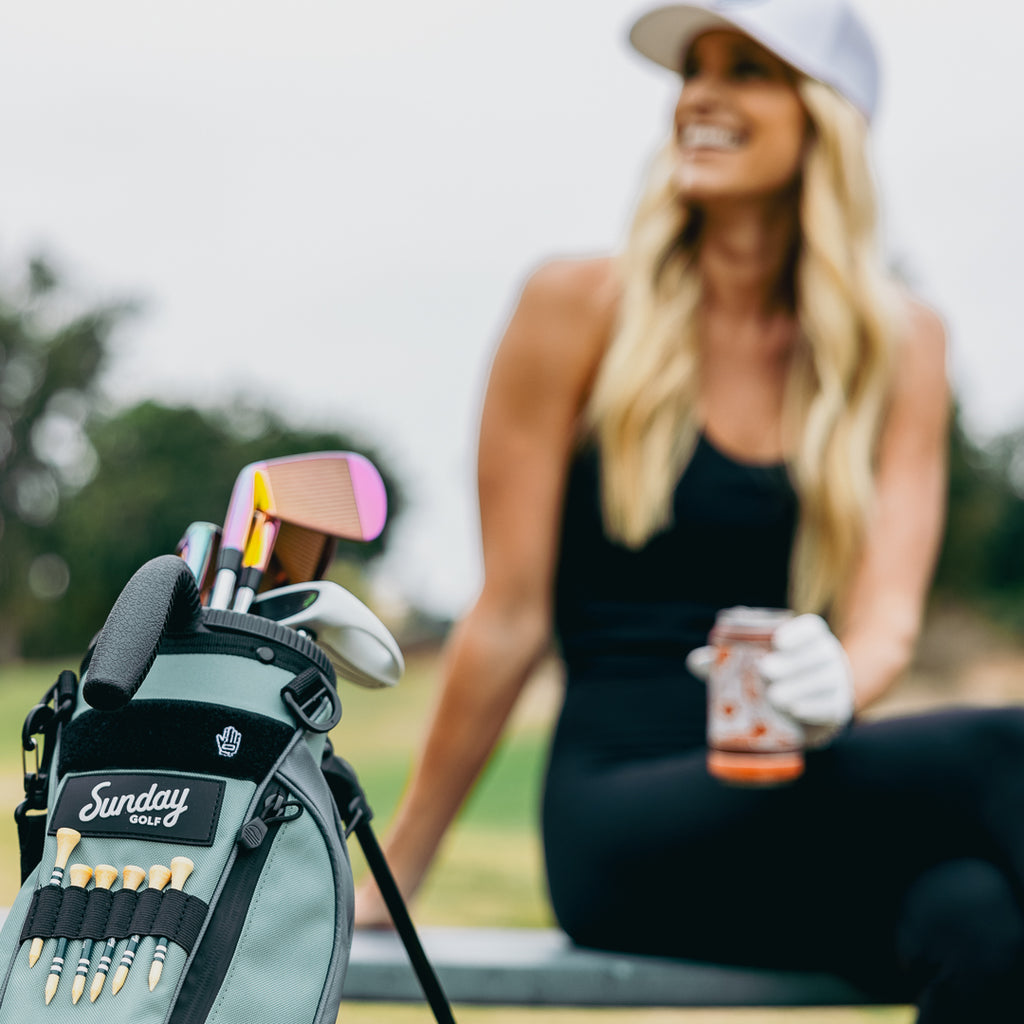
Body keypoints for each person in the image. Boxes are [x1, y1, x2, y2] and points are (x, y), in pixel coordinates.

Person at [356, 0, 1024, 1018]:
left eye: (747, 69)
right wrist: (399, 864)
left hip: (794, 799)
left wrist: (842, 676)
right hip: (621, 813)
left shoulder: (902, 343)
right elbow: (508, 615)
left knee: (979, 923)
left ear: (824, 119)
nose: (700, 94)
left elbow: (886, 614)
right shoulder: (574, 306)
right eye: (693, 70)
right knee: (1000, 754)